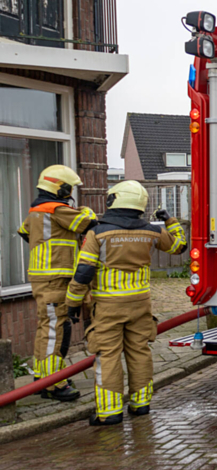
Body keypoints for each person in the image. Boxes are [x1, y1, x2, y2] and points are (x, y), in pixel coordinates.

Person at [65, 181, 187, 426]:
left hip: (109, 306)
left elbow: (83, 272)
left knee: (108, 355)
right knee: (139, 351)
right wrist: (170, 221)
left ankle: (109, 412)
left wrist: (73, 303)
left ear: (114, 200)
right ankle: (141, 405)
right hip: (140, 304)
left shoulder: (97, 233)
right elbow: (179, 246)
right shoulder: (152, 231)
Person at [17, 165, 97, 402]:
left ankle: (43, 377)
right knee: (55, 329)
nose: (70, 191)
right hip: (55, 278)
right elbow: (88, 223)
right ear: (59, 187)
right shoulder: (56, 209)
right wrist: (86, 209)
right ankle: (54, 384)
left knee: (46, 327)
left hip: (43, 277)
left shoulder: (35, 211)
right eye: (69, 187)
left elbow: (23, 232)